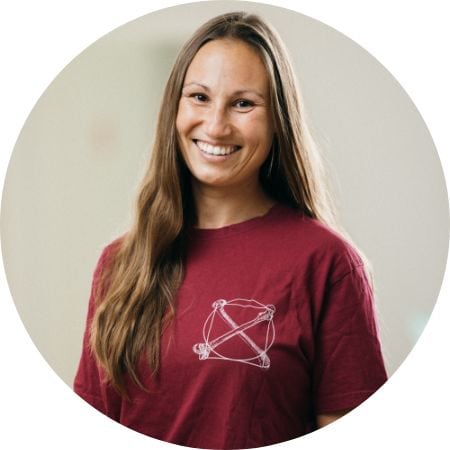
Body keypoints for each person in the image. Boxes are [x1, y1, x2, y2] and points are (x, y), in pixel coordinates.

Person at [74, 11, 387, 449]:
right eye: (199, 97)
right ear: (175, 109)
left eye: (243, 104)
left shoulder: (327, 264)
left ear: (278, 120)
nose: (216, 126)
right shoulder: (121, 263)